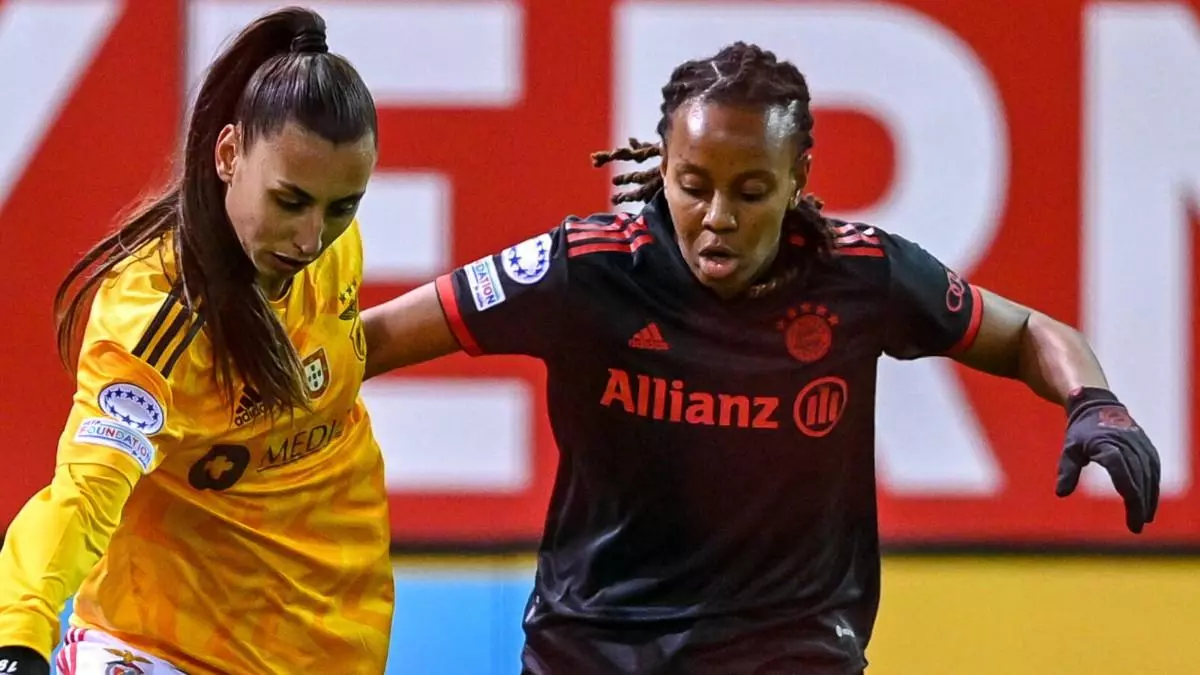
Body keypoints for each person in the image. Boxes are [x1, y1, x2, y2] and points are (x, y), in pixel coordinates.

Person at [362, 42, 1161, 674]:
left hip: (789, 641)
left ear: (796, 178)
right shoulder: (586, 267)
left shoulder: (862, 273)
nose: (718, 216)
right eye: (693, 185)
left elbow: (1026, 333)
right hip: (595, 641)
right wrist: (289, 392)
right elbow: (381, 337)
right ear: (662, 169)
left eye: (750, 191)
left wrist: (1095, 402)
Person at [0, 7, 393, 674]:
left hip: (325, 647)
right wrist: (18, 638)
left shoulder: (332, 251)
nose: (311, 238)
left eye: (342, 206)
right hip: (158, 648)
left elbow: (343, 355)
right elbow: (85, 493)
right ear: (229, 155)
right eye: (290, 201)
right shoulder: (157, 323)